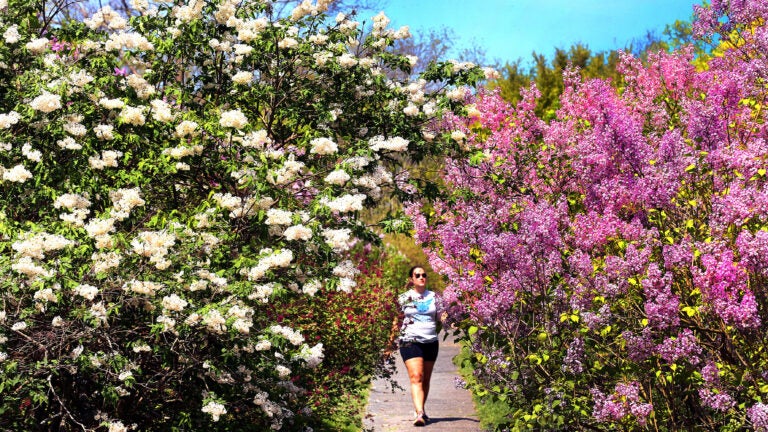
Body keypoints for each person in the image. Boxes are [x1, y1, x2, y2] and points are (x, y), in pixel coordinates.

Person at [395, 265, 444, 427]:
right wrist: (389, 345)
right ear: (412, 279)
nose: (421, 277)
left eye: (424, 275)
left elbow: (441, 319)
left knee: (425, 379)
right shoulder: (404, 298)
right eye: (417, 275)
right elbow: (397, 322)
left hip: (430, 341)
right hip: (409, 340)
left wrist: (450, 318)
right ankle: (419, 414)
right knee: (417, 376)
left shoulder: (435, 297)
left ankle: (421, 408)